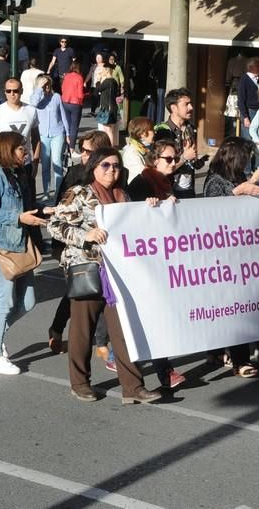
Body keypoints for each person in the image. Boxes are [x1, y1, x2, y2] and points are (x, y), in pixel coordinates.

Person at [48, 147, 162, 403]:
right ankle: (80, 383)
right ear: (94, 167)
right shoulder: (79, 193)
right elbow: (55, 225)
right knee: (82, 329)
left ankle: (133, 387)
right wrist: (84, 236)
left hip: (119, 272)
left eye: (116, 166)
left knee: (122, 330)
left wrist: (153, 207)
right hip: (87, 268)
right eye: (106, 165)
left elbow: (138, 227)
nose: (112, 170)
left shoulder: (123, 195)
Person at [0, 131, 50, 376]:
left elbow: (23, 206)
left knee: (28, 302)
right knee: (5, 301)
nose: (26, 152)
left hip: (19, 246)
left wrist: (43, 209)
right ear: (8, 149)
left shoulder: (17, 173)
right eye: (21, 149)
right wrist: (18, 218)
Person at [126, 139, 187, 389]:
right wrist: (148, 208)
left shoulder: (165, 183)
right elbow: (130, 217)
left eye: (175, 158)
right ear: (154, 160)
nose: (173, 163)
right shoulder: (141, 183)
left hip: (165, 258)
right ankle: (163, 371)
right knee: (151, 315)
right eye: (168, 159)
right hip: (144, 260)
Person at [203, 136, 259, 378]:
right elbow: (212, 208)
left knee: (237, 307)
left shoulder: (238, 179)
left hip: (239, 252)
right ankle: (220, 351)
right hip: (218, 255)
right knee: (223, 306)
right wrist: (241, 190)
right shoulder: (214, 181)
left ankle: (240, 358)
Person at [48, 130, 111, 355]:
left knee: (101, 295)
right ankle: (93, 341)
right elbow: (59, 214)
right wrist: (61, 247)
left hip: (108, 251)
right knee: (81, 290)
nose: (83, 156)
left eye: (88, 151)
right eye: (82, 151)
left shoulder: (115, 175)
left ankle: (101, 342)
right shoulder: (75, 175)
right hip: (78, 250)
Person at [154, 88, 204, 199]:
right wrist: (184, 158)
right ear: (173, 108)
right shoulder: (162, 131)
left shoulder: (191, 128)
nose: (191, 107)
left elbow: (190, 159)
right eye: (186, 104)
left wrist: (196, 162)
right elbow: (160, 167)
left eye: (191, 103)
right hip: (168, 190)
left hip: (188, 188)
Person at [0, 77, 40, 188]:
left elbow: (36, 138)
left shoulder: (31, 111)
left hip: (25, 164)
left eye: (16, 91)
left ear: (21, 91)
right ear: (5, 92)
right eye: (8, 91)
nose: (12, 94)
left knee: (28, 202)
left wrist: (35, 161)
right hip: (4, 164)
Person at [30, 74, 70, 202]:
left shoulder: (57, 97)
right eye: (43, 84)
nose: (46, 87)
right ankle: (46, 192)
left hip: (58, 133)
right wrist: (39, 89)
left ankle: (58, 191)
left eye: (47, 84)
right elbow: (33, 103)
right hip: (43, 135)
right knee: (45, 164)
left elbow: (64, 116)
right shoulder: (36, 98)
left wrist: (69, 134)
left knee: (57, 162)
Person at [122, 116, 155, 183]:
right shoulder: (131, 152)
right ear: (142, 134)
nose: (155, 132)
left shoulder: (142, 149)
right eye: (152, 130)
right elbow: (145, 174)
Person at [61, 62, 85, 151]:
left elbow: (62, 88)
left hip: (65, 102)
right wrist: (82, 99)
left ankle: (65, 145)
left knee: (67, 125)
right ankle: (71, 148)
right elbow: (80, 93)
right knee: (74, 127)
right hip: (76, 103)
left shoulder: (66, 76)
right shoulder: (79, 78)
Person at [237, 57, 259, 141]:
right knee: (248, 137)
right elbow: (241, 100)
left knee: (256, 136)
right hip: (249, 111)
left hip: (257, 110)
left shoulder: (257, 80)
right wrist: (245, 117)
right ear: (255, 67)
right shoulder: (244, 80)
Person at [94, 66, 120, 146]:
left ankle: (110, 148)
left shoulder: (107, 81)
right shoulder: (114, 82)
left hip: (107, 108)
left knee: (108, 130)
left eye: (102, 71)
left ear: (107, 71)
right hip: (113, 107)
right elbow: (117, 93)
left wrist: (98, 81)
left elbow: (97, 89)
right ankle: (111, 147)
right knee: (111, 129)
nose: (101, 73)